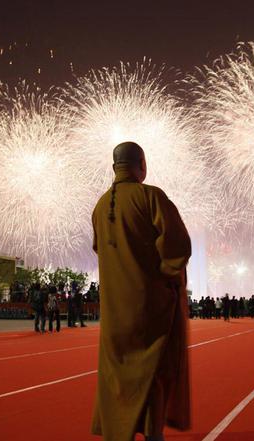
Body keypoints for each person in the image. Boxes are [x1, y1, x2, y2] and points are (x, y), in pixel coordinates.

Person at [91, 142, 191, 441]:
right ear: (142, 165)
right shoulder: (151, 197)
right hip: (149, 307)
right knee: (154, 373)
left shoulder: (100, 205)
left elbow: (100, 249)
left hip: (113, 312)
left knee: (117, 377)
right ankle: (152, 433)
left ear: (114, 168)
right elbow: (178, 248)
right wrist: (167, 279)